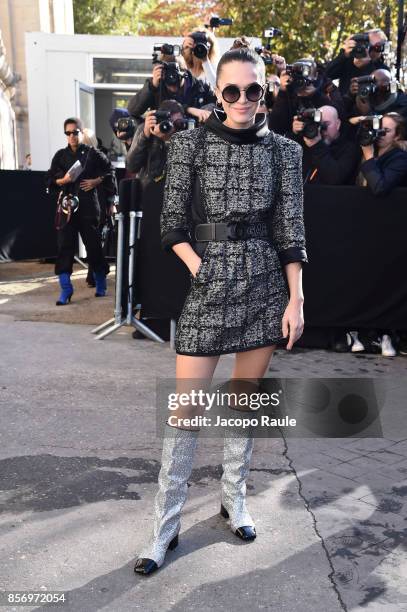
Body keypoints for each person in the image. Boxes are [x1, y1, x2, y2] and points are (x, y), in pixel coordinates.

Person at [134, 47, 307, 575]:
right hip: (209, 279)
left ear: (264, 93)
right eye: (231, 91)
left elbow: (291, 230)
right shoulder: (188, 144)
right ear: (218, 93)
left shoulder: (286, 151)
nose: (242, 100)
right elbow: (171, 225)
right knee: (186, 411)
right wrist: (198, 267)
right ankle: (164, 528)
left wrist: (296, 298)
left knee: (244, 403)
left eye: (253, 90)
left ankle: (235, 500)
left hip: (264, 282)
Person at [46, 117, 115, 305]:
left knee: (93, 246)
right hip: (67, 208)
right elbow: (49, 181)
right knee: (64, 247)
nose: (72, 136)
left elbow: (110, 171)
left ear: (81, 132)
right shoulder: (60, 156)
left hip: (88, 207)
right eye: (68, 133)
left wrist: (96, 181)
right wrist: (63, 181)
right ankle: (66, 290)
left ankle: (100, 282)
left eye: (75, 132)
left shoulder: (92, 153)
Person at [127, 54, 215, 125]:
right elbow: (133, 111)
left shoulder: (201, 87)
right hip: (162, 136)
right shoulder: (156, 86)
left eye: (176, 78)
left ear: (184, 73)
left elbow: (218, 109)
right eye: (167, 79)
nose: (172, 83)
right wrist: (152, 86)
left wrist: (204, 112)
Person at [268, 58, 344, 136]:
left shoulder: (327, 86)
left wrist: (315, 95)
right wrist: (282, 92)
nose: (301, 81)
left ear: (316, 75)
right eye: (297, 75)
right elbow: (275, 128)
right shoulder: (288, 89)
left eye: (306, 73)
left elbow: (340, 114)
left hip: (325, 139)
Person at [290, 105, 360, 184]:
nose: (322, 129)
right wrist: (294, 135)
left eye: (326, 124)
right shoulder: (309, 141)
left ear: (338, 124)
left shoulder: (350, 148)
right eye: (319, 124)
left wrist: (317, 146)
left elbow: (334, 178)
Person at [325, 28, 389, 96]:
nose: (370, 50)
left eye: (377, 47)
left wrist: (366, 66)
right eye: (368, 44)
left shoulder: (384, 70)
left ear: (383, 49)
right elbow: (327, 74)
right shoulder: (348, 60)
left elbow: (381, 95)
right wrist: (343, 55)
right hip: (344, 104)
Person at [359, 112, 407, 196]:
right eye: (378, 129)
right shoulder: (372, 148)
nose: (380, 134)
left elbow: (380, 188)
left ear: (397, 135)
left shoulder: (401, 158)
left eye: (386, 131)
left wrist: (369, 156)